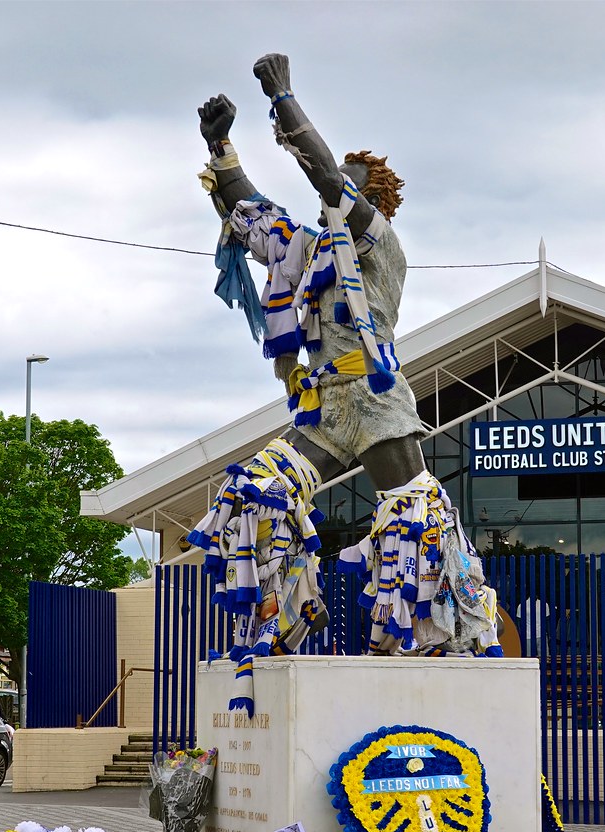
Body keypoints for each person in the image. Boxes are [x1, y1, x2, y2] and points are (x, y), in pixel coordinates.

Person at [191, 53, 500, 670]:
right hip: (324, 407)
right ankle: (289, 620)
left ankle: (444, 635)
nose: (337, 189)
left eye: (352, 183)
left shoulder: (381, 244)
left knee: (414, 519)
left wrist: (283, 99)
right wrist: (221, 146)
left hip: (377, 401)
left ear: (372, 199)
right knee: (256, 493)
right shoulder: (312, 253)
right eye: (343, 178)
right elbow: (256, 215)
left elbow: (328, 178)